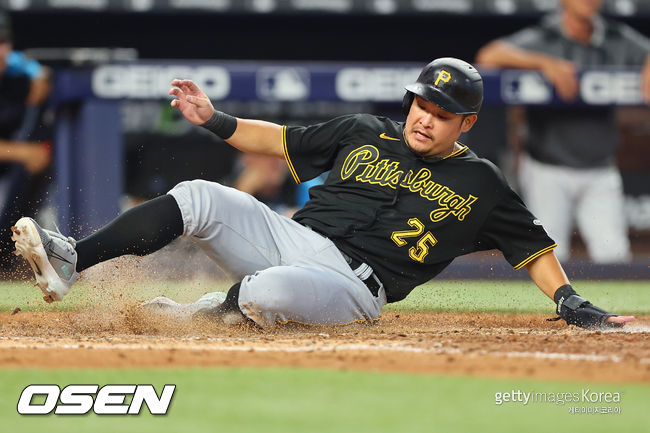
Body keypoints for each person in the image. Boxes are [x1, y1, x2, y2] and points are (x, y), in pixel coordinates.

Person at [11, 58, 634, 330]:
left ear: (465, 124)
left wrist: (569, 297)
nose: (424, 116)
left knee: (271, 292)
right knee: (200, 195)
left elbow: (532, 247)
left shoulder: (482, 183)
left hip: (356, 285)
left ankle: (204, 316)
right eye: (421, 102)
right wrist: (214, 119)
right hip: (295, 236)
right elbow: (278, 139)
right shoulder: (365, 130)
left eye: (441, 113)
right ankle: (74, 261)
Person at [475, 0, 650, 263]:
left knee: (614, 256)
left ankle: (605, 307)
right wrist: (543, 63)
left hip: (600, 169)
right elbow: (488, 56)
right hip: (547, 169)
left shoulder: (615, 36)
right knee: (548, 258)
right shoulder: (545, 35)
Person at [0, 11, 52, 275]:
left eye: (2, 42)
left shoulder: (15, 69)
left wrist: (39, 75)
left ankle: (12, 258)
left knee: (40, 160)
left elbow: (35, 67)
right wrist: (22, 152)